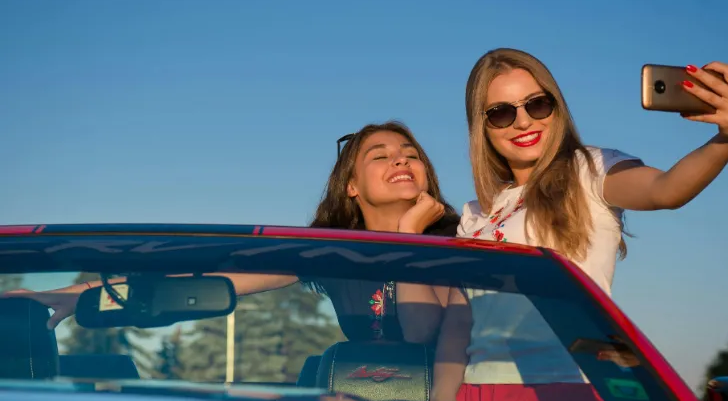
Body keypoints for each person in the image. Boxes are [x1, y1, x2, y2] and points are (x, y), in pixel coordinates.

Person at [432, 48, 728, 401]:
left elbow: (666, 190)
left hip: (571, 391)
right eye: (501, 113)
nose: (522, 122)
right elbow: (458, 322)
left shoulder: (591, 169)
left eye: (536, 105)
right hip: (478, 397)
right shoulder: (475, 214)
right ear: (482, 128)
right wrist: (443, 399)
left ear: (557, 107)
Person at [5, 121, 460, 345]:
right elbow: (209, 282)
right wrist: (78, 293)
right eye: (380, 156)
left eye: (410, 154)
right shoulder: (329, 251)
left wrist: (409, 235)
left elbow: (422, 338)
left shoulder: (465, 243)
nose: (400, 160)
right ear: (352, 186)